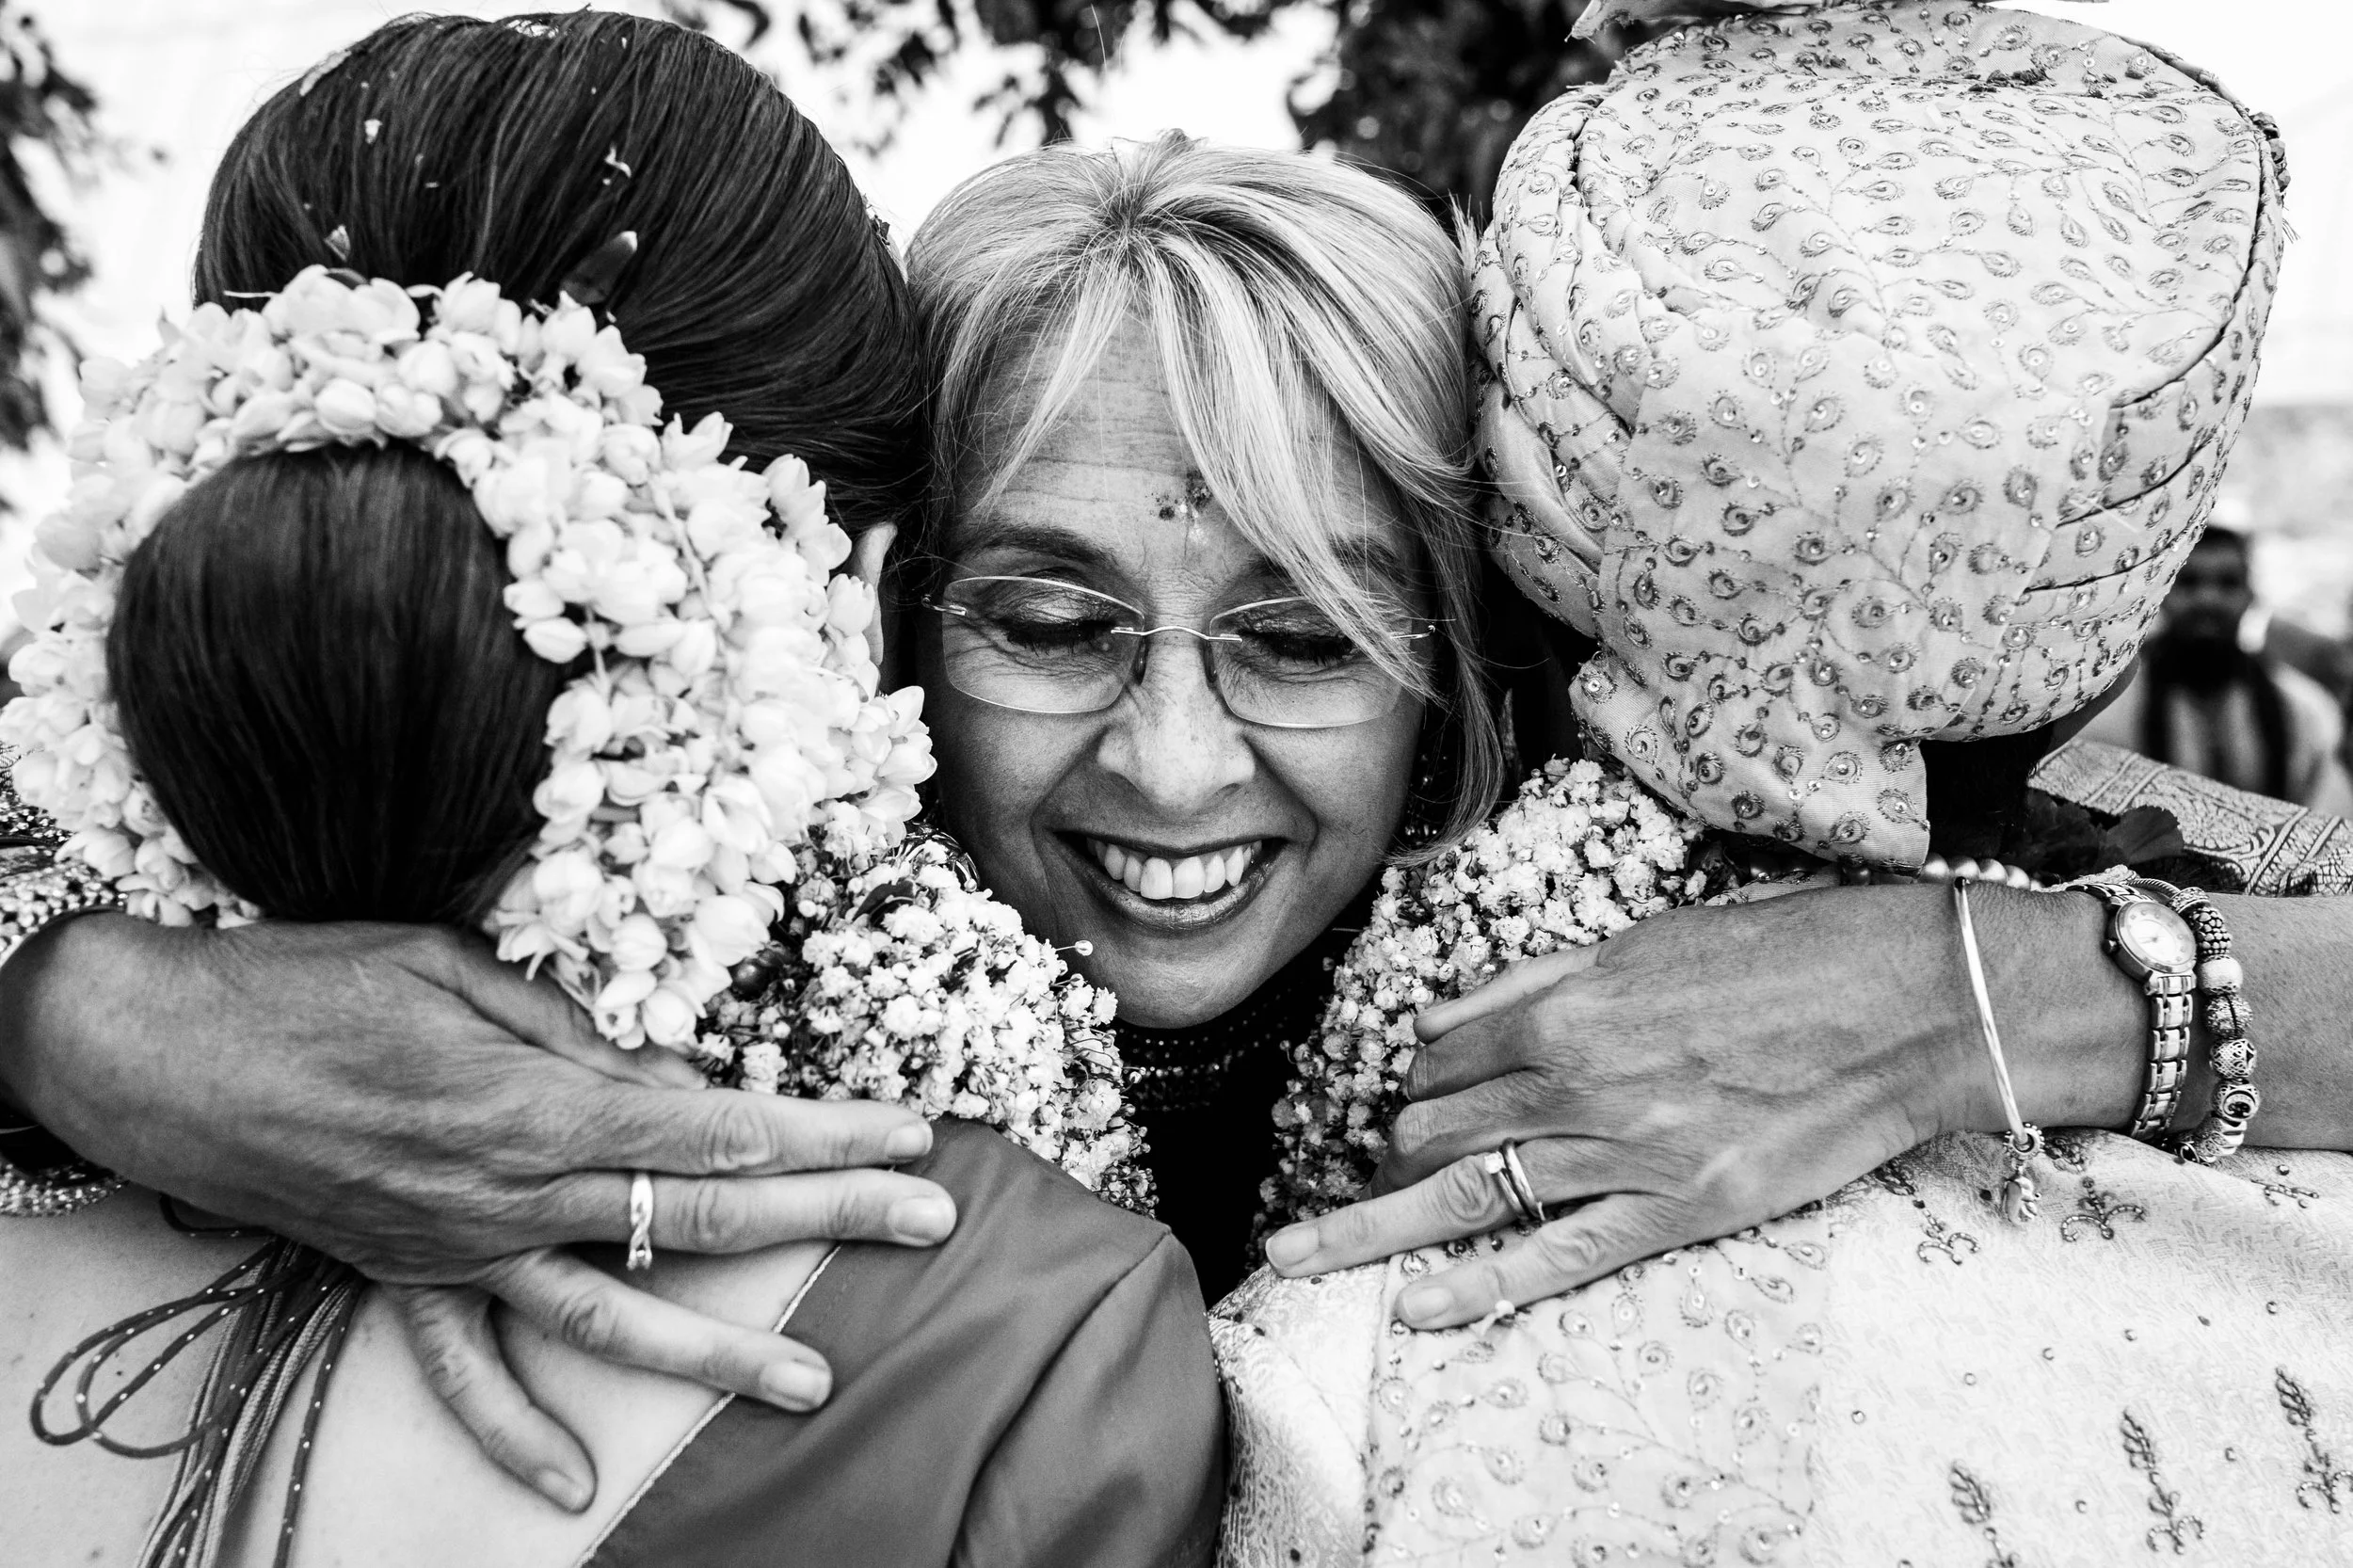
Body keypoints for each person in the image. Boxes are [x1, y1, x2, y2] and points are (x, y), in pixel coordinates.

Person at [0, 16, 1221, 1567]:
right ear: (849, 610)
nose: (1171, 755)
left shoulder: (52, 1010)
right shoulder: (1038, 1339)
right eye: (1046, 622)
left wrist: (58, 1001)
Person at [1217, 4, 2353, 1560]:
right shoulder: (2292, 1124)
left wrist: (1977, 999)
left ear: (1514, 535)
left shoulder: (1325, 1342)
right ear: (2103, 638)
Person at [900, 131, 1504, 1296]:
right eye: (1050, 624)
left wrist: (1952, 991)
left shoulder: (1669, 1024)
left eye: (1305, 640)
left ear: (1448, 677)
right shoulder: (637, 1029)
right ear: (895, 631)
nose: (1173, 768)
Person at [2078, 525, 2353, 814]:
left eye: (2228, 583)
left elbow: (2327, 824)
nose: (2208, 599)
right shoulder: (2105, 706)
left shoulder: (2304, 710)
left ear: (2251, 595)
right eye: (2189, 582)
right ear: (2161, 593)